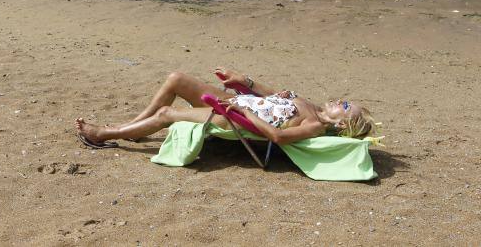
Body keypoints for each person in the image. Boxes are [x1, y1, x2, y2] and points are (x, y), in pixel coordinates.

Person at [75, 69, 376, 147]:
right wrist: (244, 80)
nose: (340, 101)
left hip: (231, 117)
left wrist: (242, 114)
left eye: (346, 107)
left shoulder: (315, 125)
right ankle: (133, 128)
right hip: (237, 101)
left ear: (341, 125)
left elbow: (279, 138)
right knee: (176, 79)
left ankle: (105, 134)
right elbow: (271, 98)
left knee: (167, 115)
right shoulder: (309, 104)